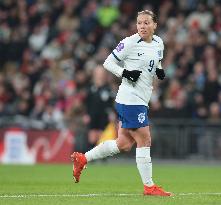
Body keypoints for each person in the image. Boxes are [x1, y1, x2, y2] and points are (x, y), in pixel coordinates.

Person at [71, 10, 172, 197]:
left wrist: (159, 71)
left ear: (155, 25)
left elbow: (156, 62)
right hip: (130, 99)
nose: (142, 26)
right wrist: (125, 73)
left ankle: (83, 158)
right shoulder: (129, 42)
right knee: (145, 139)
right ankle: (149, 187)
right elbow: (108, 63)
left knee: (124, 143)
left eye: (146, 23)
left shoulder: (159, 43)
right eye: (139, 23)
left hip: (141, 99)